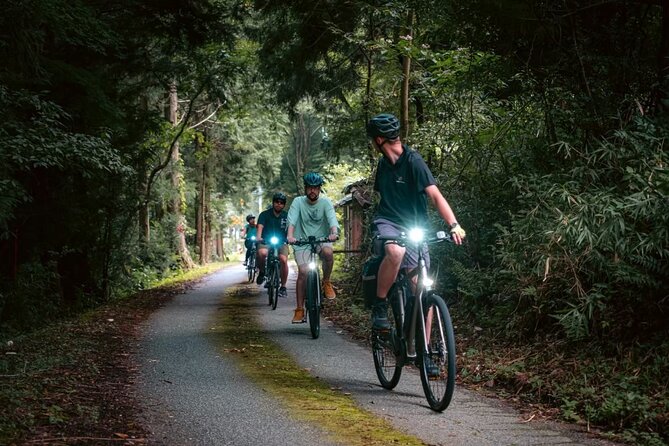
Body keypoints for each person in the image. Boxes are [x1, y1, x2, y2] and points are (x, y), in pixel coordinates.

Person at [366, 113, 466, 331]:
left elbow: (435, 195)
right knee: (395, 253)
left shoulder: (414, 161)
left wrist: (454, 224)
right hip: (388, 221)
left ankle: (425, 353)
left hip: (414, 226)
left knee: (421, 290)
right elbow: (382, 198)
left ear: (378, 140)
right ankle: (380, 304)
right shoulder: (383, 166)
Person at [286, 172, 339, 324]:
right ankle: (299, 309)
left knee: (328, 253)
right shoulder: (298, 202)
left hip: (322, 239)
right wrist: (290, 236)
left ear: (319, 189)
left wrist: (334, 233)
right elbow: (292, 221)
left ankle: (326, 282)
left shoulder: (325, 203)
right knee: (303, 272)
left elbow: (332, 220)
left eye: (315, 188)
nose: (312, 191)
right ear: (305, 188)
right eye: (309, 188)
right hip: (301, 241)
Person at [255, 192, 290, 298]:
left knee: (283, 259)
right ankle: (262, 271)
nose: (278, 204)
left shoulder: (286, 215)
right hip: (266, 241)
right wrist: (259, 237)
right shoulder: (264, 214)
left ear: (284, 205)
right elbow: (260, 227)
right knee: (262, 253)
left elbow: (291, 229)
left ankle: (283, 286)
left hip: (282, 242)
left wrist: (290, 238)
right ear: (273, 202)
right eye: (276, 202)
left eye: (281, 203)